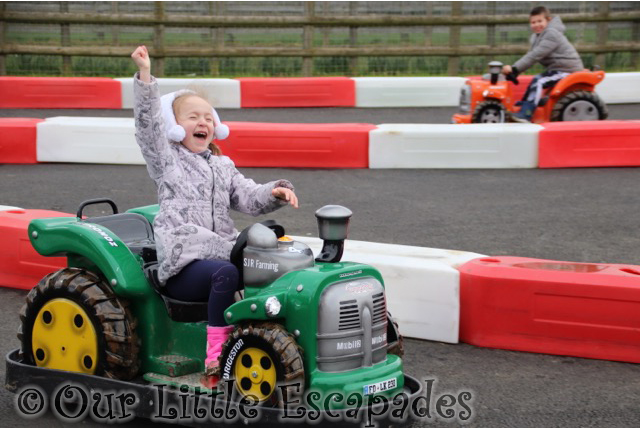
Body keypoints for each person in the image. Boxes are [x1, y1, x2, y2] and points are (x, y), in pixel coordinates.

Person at [130, 45, 299, 379]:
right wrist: (146, 76)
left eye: (208, 117)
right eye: (192, 117)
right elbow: (148, 128)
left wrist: (275, 190)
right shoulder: (168, 163)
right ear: (174, 127)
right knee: (227, 274)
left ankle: (274, 340)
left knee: (274, 265)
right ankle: (216, 354)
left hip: (221, 253)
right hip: (183, 266)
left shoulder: (223, 166)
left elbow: (249, 197)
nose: (202, 122)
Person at [502, 6, 584, 123]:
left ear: (548, 20)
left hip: (567, 69)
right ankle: (525, 105)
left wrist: (515, 68)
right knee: (536, 80)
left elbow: (536, 55)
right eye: (533, 22)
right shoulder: (537, 37)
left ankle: (527, 113)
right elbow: (530, 55)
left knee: (539, 81)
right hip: (557, 68)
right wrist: (516, 72)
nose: (536, 25)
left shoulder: (552, 34)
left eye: (540, 21)